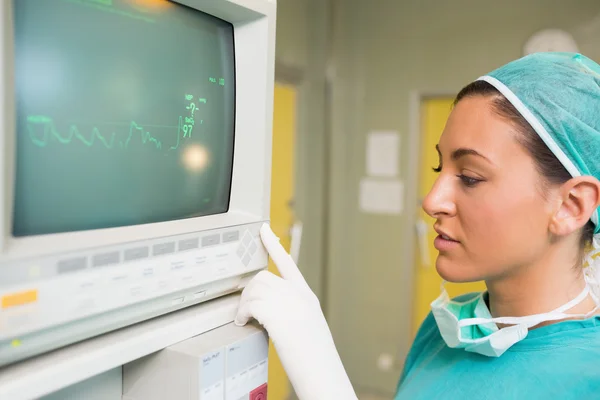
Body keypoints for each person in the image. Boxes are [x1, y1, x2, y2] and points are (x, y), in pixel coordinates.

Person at [235, 52, 600, 399]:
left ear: (571, 206)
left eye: (470, 177)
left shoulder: (588, 379)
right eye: (439, 169)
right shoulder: (449, 331)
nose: (431, 201)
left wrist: (324, 380)